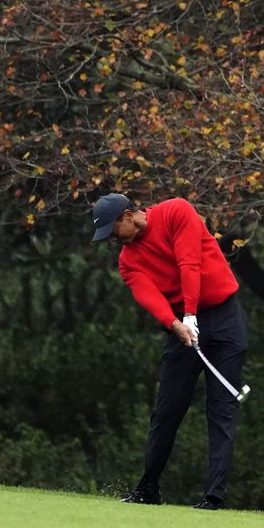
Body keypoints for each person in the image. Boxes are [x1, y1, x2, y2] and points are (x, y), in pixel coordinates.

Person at [91, 193, 248, 510]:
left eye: (112, 230)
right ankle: (148, 489)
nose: (111, 239)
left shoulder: (176, 211)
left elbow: (189, 262)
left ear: (128, 215)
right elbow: (150, 297)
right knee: (167, 411)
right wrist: (177, 324)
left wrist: (190, 313)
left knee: (221, 409)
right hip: (181, 329)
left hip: (224, 318)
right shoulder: (128, 260)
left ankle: (213, 497)